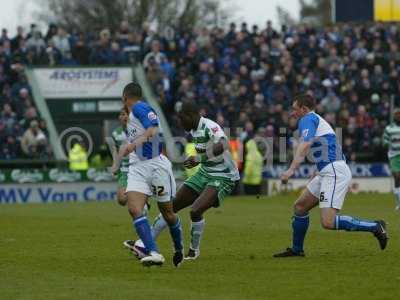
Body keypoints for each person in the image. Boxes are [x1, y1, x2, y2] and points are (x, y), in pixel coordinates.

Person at [274, 93, 388, 257]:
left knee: (328, 222)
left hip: (334, 172)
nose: (292, 113)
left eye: (295, 109)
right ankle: (297, 250)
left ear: (304, 109)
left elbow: (305, 144)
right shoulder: (316, 120)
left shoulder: (307, 119)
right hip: (327, 171)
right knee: (300, 207)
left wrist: (291, 169)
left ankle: (375, 226)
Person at [134, 101, 240, 260]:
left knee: (195, 210)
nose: (180, 123)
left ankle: (193, 251)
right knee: (171, 206)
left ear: (191, 116)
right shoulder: (194, 129)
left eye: (181, 119)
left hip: (224, 176)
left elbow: (224, 144)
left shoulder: (209, 126)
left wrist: (200, 157)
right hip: (205, 172)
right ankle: (144, 243)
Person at [111, 82, 183, 267]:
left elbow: (153, 131)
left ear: (124, 97)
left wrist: (133, 146)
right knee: (134, 208)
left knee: (167, 213)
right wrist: (117, 164)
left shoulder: (140, 108)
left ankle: (179, 248)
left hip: (155, 166)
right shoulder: (130, 118)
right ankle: (154, 252)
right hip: (138, 167)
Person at [111, 107, 150, 213]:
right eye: (121, 114)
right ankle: (141, 201)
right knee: (121, 200)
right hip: (124, 169)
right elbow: (115, 150)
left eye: (125, 114)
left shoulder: (139, 130)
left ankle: (141, 203)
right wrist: (115, 165)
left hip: (138, 167)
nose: (123, 117)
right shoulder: (116, 133)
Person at [383, 108, 400, 210]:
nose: (398, 116)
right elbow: (384, 140)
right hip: (394, 155)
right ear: (394, 116)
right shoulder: (389, 128)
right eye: (396, 114)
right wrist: (389, 143)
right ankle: (398, 202)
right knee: (397, 177)